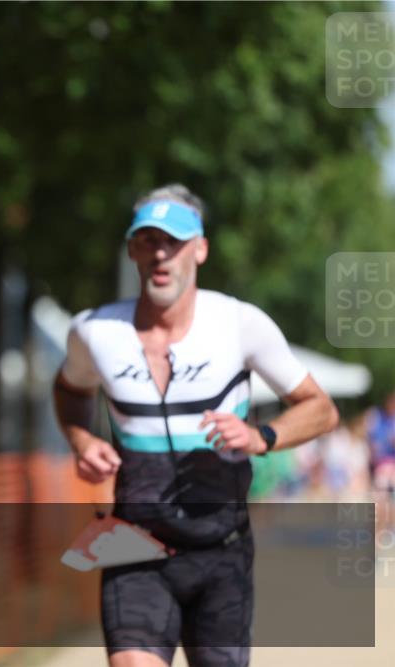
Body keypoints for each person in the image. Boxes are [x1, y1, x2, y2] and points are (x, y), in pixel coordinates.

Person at [53, 184, 339, 667]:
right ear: (132, 249)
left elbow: (320, 408)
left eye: (175, 241)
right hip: (134, 547)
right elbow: (69, 390)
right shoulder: (95, 332)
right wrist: (81, 439)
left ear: (200, 248)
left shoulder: (240, 323)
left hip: (220, 552)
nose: (160, 254)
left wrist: (260, 436)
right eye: (148, 240)